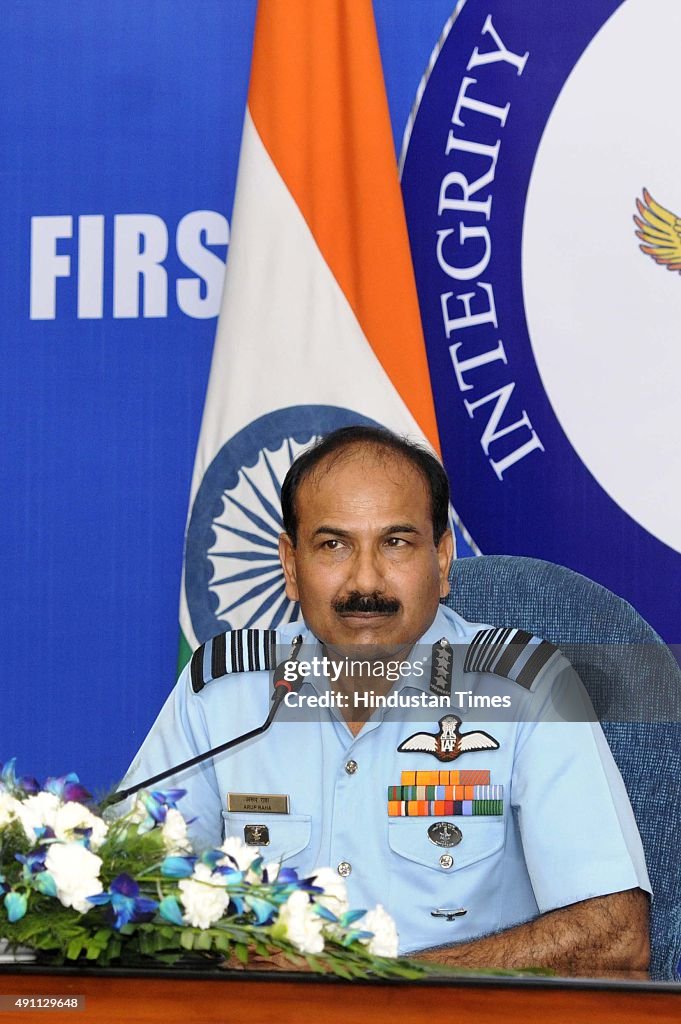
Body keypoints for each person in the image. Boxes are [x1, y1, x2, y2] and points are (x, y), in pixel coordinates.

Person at [120, 425, 651, 974]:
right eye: (333, 545)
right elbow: (120, 886)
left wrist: (379, 982)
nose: (364, 580)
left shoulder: (527, 688)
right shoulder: (223, 690)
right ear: (290, 564)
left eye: (395, 543)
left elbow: (615, 936)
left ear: (441, 560)